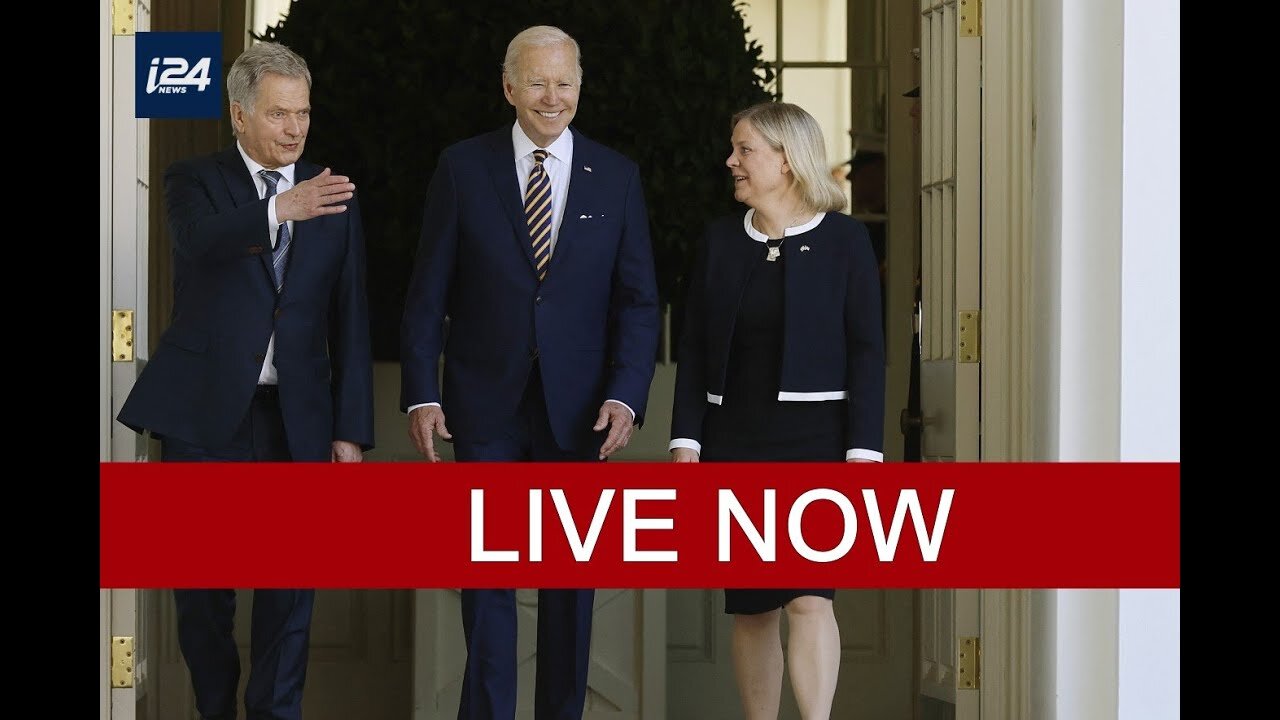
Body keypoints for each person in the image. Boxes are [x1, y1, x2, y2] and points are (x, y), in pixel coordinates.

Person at [399, 25, 660, 720]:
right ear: (509, 87)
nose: (553, 97)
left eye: (565, 83)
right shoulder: (462, 167)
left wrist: (627, 395)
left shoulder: (619, 175)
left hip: (581, 414)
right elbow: (429, 293)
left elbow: (638, 302)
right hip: (483, 407)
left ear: (581, 87)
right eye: (537, 82)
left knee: (571, 589)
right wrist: (421, 393)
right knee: (487, 585)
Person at [117, 41, 374, 720]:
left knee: (291, 590)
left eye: (304, 113)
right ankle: (215, 710)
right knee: (202, 593)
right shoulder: (191, 179)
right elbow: (199, 241)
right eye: (279, 114)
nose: (295, 128)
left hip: (297, 421)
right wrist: (280, 211)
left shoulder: (332, 191)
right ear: (238, 115)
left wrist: (350, 431)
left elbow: (350, 319)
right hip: (207, 418)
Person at [669, 101, 885, 720]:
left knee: (811, 598)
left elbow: (868, 352)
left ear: (787, 160)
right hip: (735, 439)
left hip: (817, 441)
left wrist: (863, 452)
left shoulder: (847, 241)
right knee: (753, 603)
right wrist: (687, 441)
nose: (730, 161)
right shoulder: (718, 241)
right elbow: (694, 350)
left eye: (745, 150)